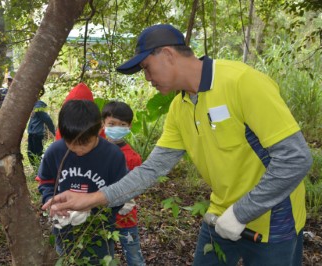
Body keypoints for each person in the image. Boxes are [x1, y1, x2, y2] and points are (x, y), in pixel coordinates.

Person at [43, 24, 313, 266]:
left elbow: (296, 159)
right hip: (219, 215)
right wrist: (89, 200)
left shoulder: (241, 82)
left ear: (168, 55)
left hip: (273, 217)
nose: (146, 78)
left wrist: (243, 212)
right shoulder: (179, 108)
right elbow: (150, 171)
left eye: (146, 67)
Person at [37, 100, 127, 264]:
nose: (78, 149)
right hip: (63, 226)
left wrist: (96, 210)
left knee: (98, 260)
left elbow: (120, 191)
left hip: (99, 229)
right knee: (66, 259)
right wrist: (50, 200)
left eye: (84, 143)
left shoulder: (113, 156)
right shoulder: (55, 152)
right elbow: (46, 181)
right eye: (70, 143)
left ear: (99, 129)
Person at [101, 101, 146, 266]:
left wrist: (130, 199)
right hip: (101, 216)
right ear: (103, 124)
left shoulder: (133, 157)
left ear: (129, 126)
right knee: (105, 255)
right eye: (111, 124)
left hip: (126, 216)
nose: (116, 128)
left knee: (133, 255)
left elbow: (139, 184)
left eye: (122, 124)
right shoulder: (96, 152)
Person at [27, 87, 55, 166]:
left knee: (37, 153)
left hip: (37, 134)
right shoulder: (34, 105)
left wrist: (53, 131)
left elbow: (47, 119)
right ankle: (36, 170)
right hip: (32, 133)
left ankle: (40, 170)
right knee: (30, 153)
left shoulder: (39, 105)